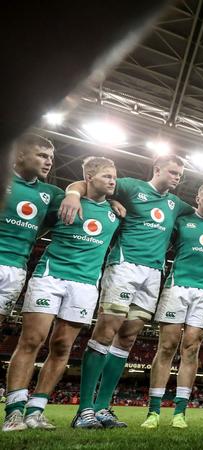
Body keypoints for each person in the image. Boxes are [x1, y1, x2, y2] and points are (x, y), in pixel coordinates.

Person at [61, 155, 203, 429]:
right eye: (173, 172)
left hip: (154, 273)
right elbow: (91, 184)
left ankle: (102, 408)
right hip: (125, 266)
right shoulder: (132, 187)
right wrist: (73, 194)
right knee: (106, 332)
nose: (177, 177)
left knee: (127, 338)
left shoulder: (175, 204)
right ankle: (84, 410)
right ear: (157, 169)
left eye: (180, 174)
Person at [2, 157, 120, 432]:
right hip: (50, 277)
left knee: (62, 347)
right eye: (107, 176)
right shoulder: (61, 200)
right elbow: (37, 227)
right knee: (32, 340)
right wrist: (72, 193)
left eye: (114, 177)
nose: (113, 181)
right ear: (89, 177)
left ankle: (36, 411)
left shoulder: (116, 212)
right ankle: (14, 411)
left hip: (85, 284)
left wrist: (107, 200)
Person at [140, 183, 203, 429]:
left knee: (191, 349)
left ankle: (180, 412)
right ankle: (153, 411)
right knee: (167, 346)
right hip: (177, 286)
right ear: (198, 198)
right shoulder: (182, 221)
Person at [0, 134, 63, 326]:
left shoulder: (52, 193)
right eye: (42, 156)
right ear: (20, 155)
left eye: (51, 158)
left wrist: (113, 202)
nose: (49, 162)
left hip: (16, 267)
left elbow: (88, 193)